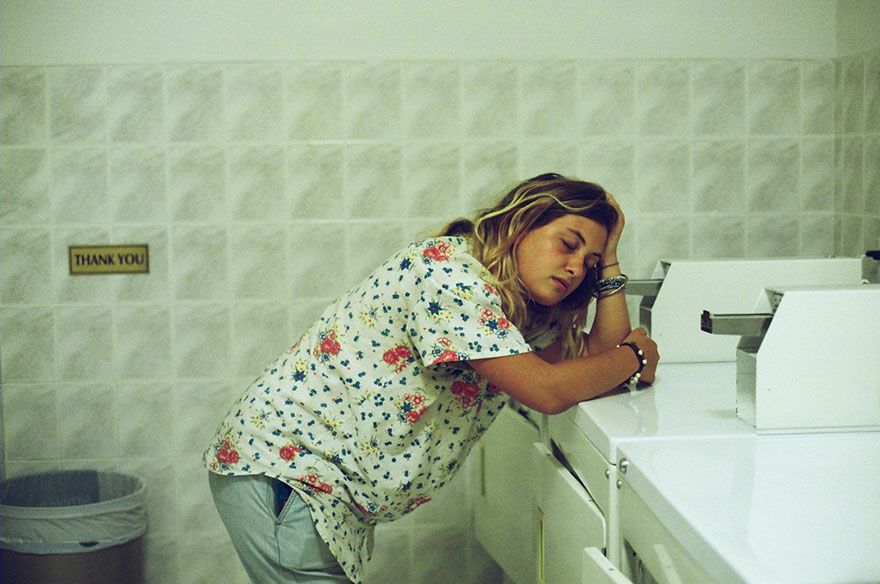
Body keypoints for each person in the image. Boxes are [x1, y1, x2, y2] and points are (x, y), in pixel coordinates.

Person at [204, 173, 659, 583]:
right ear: (522, 224)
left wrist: (612, 267)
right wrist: (636, 354)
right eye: (568, 243)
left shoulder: (510, 306)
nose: (577, 267)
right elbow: (551, 389)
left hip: (314, 486)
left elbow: (598, 361)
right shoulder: (449, 278)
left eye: (591, 261)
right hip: (290, 474)